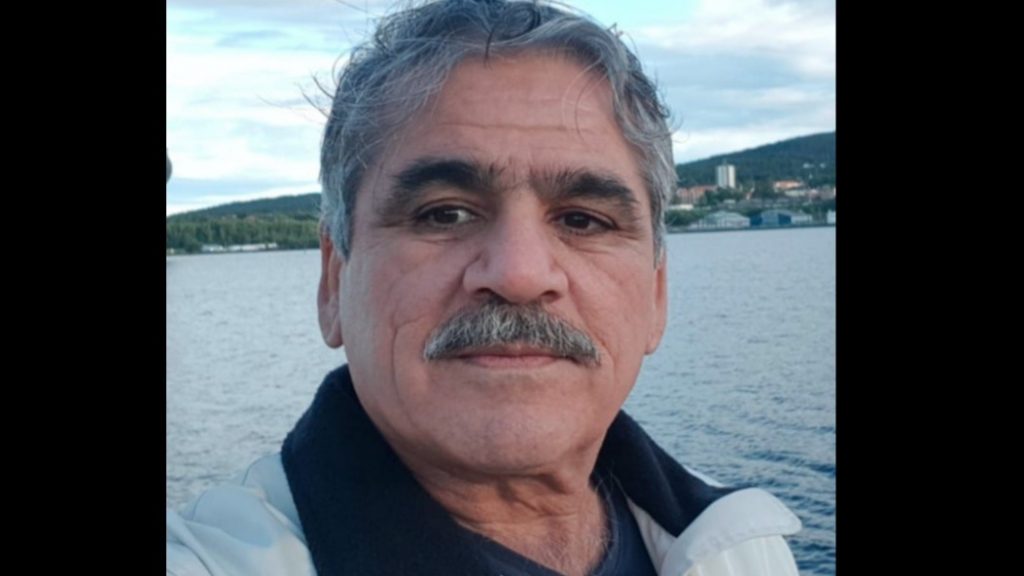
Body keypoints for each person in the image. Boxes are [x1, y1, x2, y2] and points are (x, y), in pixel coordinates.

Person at [166, 1, 802, 574]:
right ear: (334, 281)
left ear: (657, 297)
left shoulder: (739, 543)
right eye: (445, 214)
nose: (520, 275)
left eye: (582, 220)